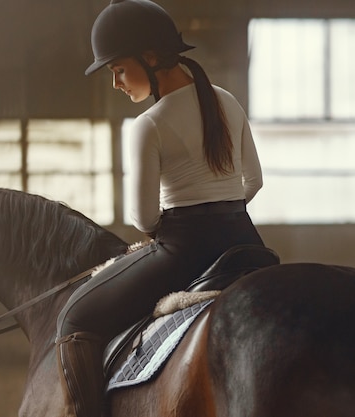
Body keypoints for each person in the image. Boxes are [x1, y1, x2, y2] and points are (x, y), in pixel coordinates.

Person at [55, 1, 265, 416]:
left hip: (181, 252)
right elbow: (254, 182)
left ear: (150, 58)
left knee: (73, 320)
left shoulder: (148, 125)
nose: (116, 83)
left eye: (117, 70)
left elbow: (144, 219)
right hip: (246, 241)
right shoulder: (228, 101)